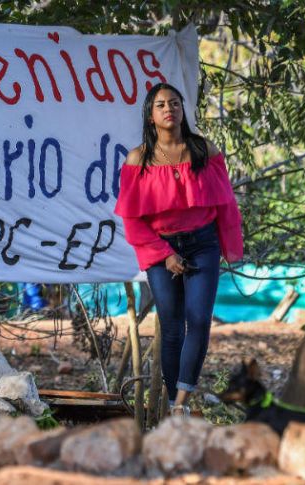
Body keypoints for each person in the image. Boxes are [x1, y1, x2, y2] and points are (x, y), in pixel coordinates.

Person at [113, 83, 244, 417]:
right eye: (160, 105)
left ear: (183, 109)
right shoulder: (137, 159)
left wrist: (229, 248)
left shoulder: (204, 150)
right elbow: (133, 221)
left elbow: (226, 204)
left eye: (174, 102)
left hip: (202, 244)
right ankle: (173, 405)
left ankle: (182, 404)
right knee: (171, 327)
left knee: (198, 320)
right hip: (161, 249)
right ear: (151, 115)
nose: (168, 109)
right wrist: (165, 255)